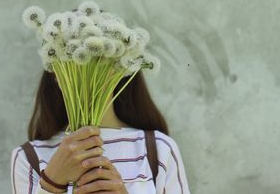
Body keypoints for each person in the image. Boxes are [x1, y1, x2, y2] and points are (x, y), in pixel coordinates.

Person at [10, 68, 191, 194]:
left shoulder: (158, 149)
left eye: (98, 56)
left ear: (121, 66)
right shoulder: (28, 156)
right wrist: (52, 183)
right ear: (55, 72)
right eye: (71, 58)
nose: (87, 69)